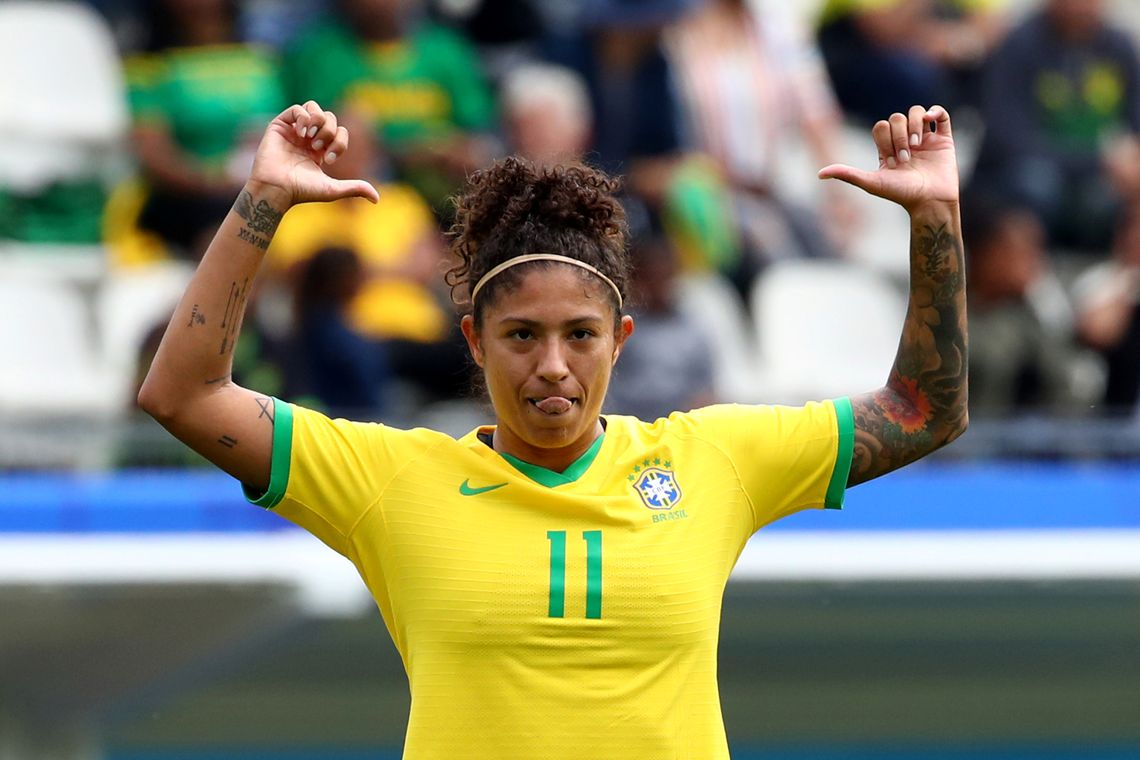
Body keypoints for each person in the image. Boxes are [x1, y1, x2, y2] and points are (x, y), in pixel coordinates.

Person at [138, 100, 968, 757]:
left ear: (622, 340)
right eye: (521, 336)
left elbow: (923, 410)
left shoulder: (713, 459)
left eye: (581, 335)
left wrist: (934, 217)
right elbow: (184, 393)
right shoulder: (389, 479)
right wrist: (265, 199)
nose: (554, 367)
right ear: (474, 340)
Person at [970, 0, 1140, 251]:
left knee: (1106, 199)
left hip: (1093, 177)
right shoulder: (1020, 44)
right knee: (1036, 184)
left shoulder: (1119, 47)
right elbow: (1007, 137)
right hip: (1025, 173)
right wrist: (1098, 160)